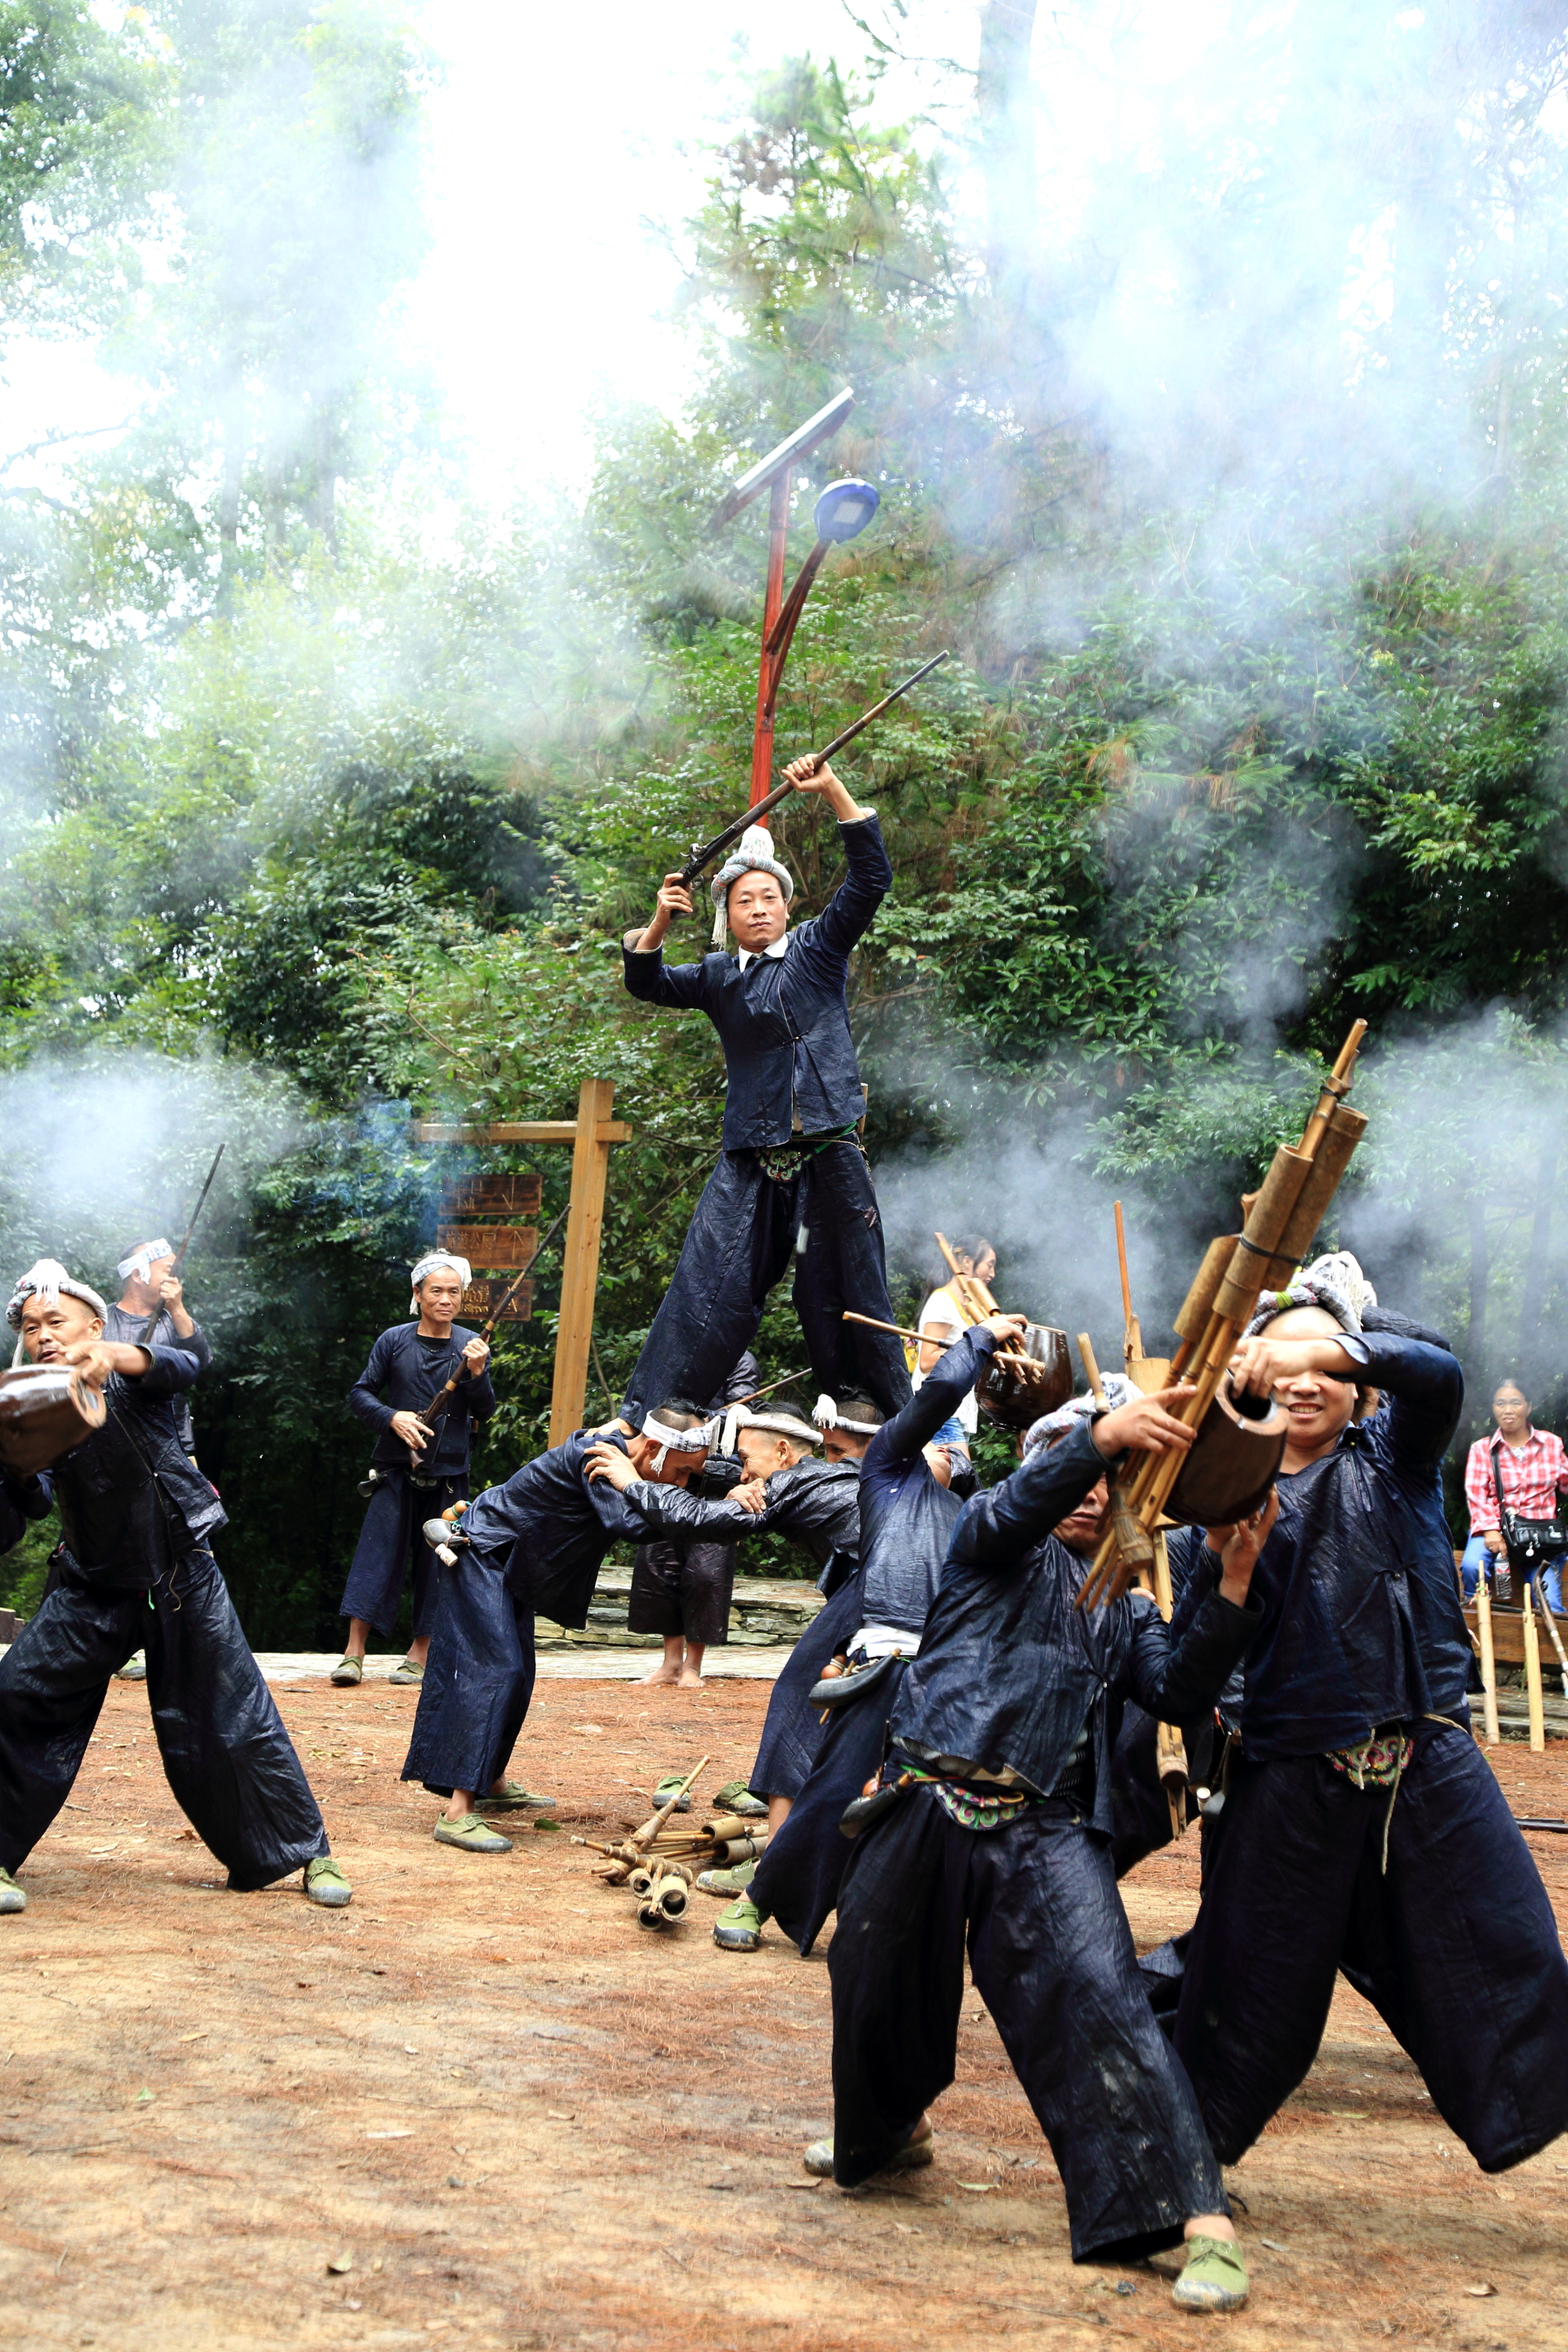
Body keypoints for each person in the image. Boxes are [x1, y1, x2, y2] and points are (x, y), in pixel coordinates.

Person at [815, 1373, 1269, 2313]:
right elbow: (1024, 1501)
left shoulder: (1124, 1598)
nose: (1096, 1492)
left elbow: (1178, 1691)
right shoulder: (988, 1537)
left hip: (1047, 1825)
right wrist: (1100, 1437)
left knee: (1102, 1998)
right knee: (870, 1975)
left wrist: (1227, 1580)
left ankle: (1197, 2217)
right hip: (923, 1795)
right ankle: (887, 2132)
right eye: (1083, 1465)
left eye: (1116, 1478)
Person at [1170, 1260, 1568, 2183]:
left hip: (1423, 1759)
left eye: (1329, 1371)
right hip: (1286, 1768)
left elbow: (1439, 1376)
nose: (1305, 1383)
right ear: (1251, 1380)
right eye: (1283, 1365)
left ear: (1357, 1389)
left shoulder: (1398, 1460)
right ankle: (1181, 2175)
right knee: (1243, 1992)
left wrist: (1332, 1337)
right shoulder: (1215, 1502)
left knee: (1511, 1954)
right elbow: (1194, 1656)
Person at [0, 1260, 349, 1915]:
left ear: (94, 1324)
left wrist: (115, 1356)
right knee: (15, 1697)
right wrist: (12, 1469)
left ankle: (305, 1852)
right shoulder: (29, 1405)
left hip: (183, 1576)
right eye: (29, 1326)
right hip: (91, 1588)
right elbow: (25, 1508)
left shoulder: (135, 1377)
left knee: (234, 1715)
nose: (42, 1335)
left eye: (56, 1321)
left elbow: (183, 1366)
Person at [713, 1313, 1022, 1954]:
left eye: (948, 1448)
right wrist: (978, 1340)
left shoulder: (970, 1506)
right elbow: (936, 1397)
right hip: (885, 1655)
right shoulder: (880, 1471)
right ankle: (759, 1898)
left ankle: (918, 1919)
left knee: (942, 1798)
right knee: (835, 1787)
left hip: (954, 1668)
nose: (938, 1451)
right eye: (927, 1441)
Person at [618, 757, 912, 1428]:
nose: (758, 908)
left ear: (787, 906)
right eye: (744, 900)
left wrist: (831, 787)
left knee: (837, 1278)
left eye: (769, 898)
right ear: (726, 910)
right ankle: (672, 1406)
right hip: (753, 1155)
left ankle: (866, 1402)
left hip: (830, 1147)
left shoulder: (817, 950)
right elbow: (646, 981)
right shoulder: (718, 977)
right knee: (713, 1276)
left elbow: (871, 878)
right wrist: (660, 920)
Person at [400, 1401, 730, 1853]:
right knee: (496, 1672)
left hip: (512, 1564)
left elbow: (670, 1499)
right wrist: (711, 1512)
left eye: (690, 1477)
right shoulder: (598, 1459)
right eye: (682, 1471)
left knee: (520, 1677)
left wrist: (738, 1488)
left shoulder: (629, 1462)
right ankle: (457, 1812)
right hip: (481, 1551)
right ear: (652, 1447)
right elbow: (629, 1523)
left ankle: (489, 1781)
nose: (683, 1481)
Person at [590, 1398, 873, 1851]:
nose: (742, 1475)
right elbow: (723, 1475)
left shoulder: (788, 1483)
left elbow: (698, 1518)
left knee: (797, 1699)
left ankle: (775, 1866)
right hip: (916, 1588)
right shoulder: (825, 1475)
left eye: (745, 1460)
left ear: (782, 1453)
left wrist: (629, 1482)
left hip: (878, 1588)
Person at [333, 1252, 495, 1690]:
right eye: (436, 1291)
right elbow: (361, 1393)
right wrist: (393, 1418)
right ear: (418, 1294)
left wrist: (477, 1373)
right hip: (394, 1470)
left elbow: (486, 1409)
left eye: (454, 1292)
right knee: (376, 1555)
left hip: (448, 1475)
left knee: (438, 1562)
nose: (446, 1299)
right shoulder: (393, 1340)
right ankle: (353, 1653)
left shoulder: (472, 1346)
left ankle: (419, 1653)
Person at [630, 1352, 758, 1689]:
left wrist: (713, 1420)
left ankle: (692, 1666)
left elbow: (742, 1416)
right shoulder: (679, 1350)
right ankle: (671, 1663)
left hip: (716, 1476)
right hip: (666, 1469)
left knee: (705, 1573)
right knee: (659, 1566)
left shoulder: (740, 1360)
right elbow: (655, 1408)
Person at [1461, 1377, 1568, 1613]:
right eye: (1500, 1403)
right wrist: (1490, 1531)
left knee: (1550, 1603)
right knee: (1471, 1567)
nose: (1507, 1410)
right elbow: (1476, 1494)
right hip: (1495, 1529)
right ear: (1493, 1408)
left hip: (1539, 1536)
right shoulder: (1482, 1449)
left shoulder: (1551, 1444)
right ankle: (1476, 1614)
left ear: (1529, 1407)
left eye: (1515, 1403)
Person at [909, 1234, 997, 1445]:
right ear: (967, 1262)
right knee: (958, 1477)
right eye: (989, 1265)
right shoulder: (943, 1301)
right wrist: (974, 1351)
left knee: (951, 1477)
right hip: (940, 1409)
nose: (992, 1274)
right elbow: (927, 1360)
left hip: (954, 1411)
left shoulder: (969, 1308)